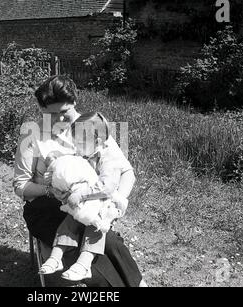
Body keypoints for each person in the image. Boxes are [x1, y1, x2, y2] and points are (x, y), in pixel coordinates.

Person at [13, 75, 147, 287]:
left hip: (89, 203)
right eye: (51, 114)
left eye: (64, 112)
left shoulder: (91, 127)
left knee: (109, 241)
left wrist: (114, 201)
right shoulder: (33, 134)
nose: (59, 120)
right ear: (41, 109)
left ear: (75, 102)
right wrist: (51, 190)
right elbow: (21, 186)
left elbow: (126, 171)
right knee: (83, 251)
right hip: (46, 207)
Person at [38, 112, 129, 281]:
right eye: (75, 142)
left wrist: (81, 195)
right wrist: (53, 175)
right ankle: (56, 257)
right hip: (84, 201)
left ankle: (84, 263)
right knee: (69, 222)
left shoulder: (110, 158)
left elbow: (107, 187)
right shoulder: (83, 154)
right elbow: (71, 172)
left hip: (105, 202)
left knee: (94, 227)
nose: (77, 147)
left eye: (81, 143)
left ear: (98, 142)